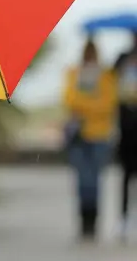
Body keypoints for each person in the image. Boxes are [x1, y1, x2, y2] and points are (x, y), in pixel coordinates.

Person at [63, 38, 117, 241]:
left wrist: (84, 105)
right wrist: (90, 103)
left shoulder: (105, 76)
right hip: (79, 135)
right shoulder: (74, 73)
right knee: (81, 180)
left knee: (94, 180)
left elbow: (108, 104)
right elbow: (68, 99)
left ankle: (93, 221)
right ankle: (83, 220)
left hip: (99, 135)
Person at [113, 35, 137, 241]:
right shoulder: (122, 58)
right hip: (126, 131)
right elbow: (110, 78)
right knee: (126, 177)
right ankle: (123, 218)